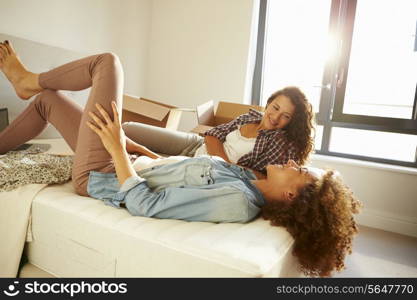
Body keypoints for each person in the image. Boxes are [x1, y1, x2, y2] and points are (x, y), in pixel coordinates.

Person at [0, 41, 360, 277]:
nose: (296, 164)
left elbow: (146, 203)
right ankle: (24, 98)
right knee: (49, 103)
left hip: (99, 175)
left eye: (301, 173)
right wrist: (133, 149)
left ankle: (27, 80)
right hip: (126, 160)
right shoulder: (247, 181)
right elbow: (176, 171)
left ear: (292, 196)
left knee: (107, 63)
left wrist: (113, 151)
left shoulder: (238, 202)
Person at [122, 85, 314, 179]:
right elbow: (213, 135)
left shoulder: (280, 142)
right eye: (275, 107)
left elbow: (267, 177)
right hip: (195, 145)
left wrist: (221, 165)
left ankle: (137, 151)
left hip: (203, 168)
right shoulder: (250, 117)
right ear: (269, 103)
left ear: (291, 122)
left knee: (135, 161)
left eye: (285, 116)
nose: (275, 116)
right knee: (128, 128)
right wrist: (224, 161)